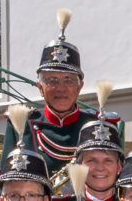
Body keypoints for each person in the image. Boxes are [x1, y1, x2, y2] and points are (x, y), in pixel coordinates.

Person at [19, 13, 94, 164]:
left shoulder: (94, 125)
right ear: (40, 88)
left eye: (68, 80)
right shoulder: (21, 123)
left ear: (80, 87)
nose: (61, 88)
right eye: (52, 80)